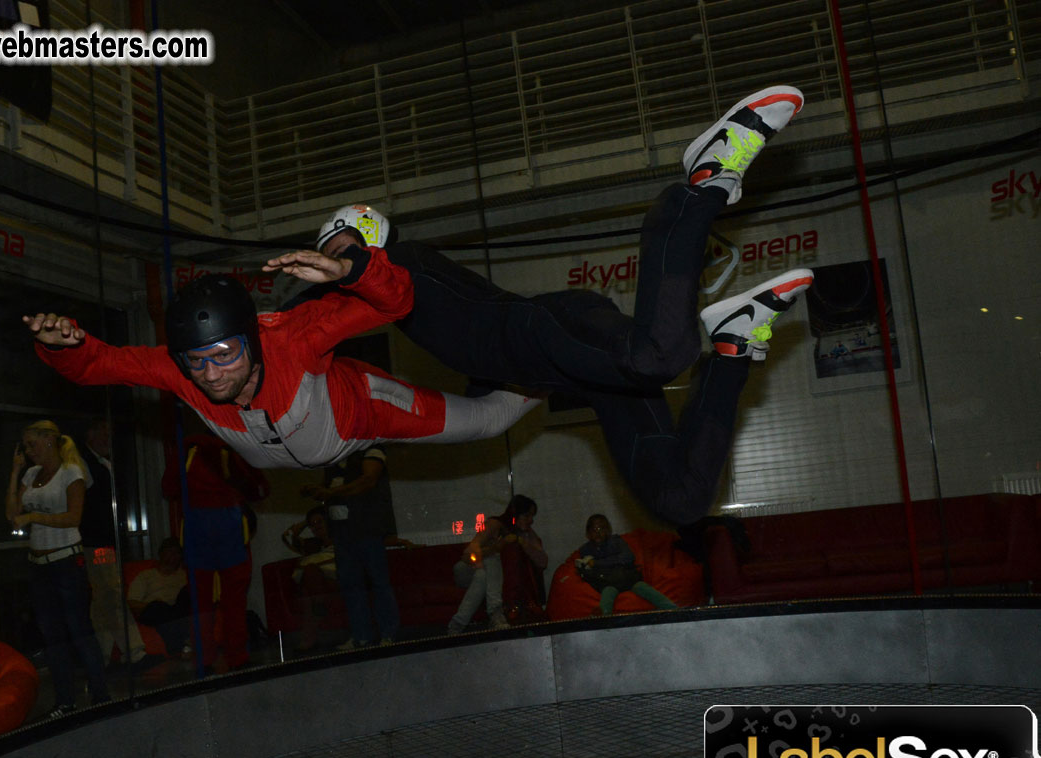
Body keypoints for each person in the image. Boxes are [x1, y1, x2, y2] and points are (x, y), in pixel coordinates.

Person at [308, 85, 813, 527]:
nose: (334, 267)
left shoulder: (404, 262)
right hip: (574, 369)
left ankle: (703, 182)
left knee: (660, 355)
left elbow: (382, 278)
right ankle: (733, 347)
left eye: (340, 252)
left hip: (538, 325)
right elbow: (485, 413)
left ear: (369, 239)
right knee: (678, 500)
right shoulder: (420, 320)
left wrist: (342, 270)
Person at [22, 245, 541, 474]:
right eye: (195, 362)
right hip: (286, 451)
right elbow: (99, 366)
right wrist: (61, 345)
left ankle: (550, 381)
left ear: (252, 338)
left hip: (362, 413)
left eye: (224, 354)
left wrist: (348, 269)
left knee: (487, 422)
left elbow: (397, 301)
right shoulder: (178, 370)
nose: (211, 374)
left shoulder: (292, 336)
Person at [5, 419, 110, 717]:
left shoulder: (71, 472)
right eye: (26, 445)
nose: (29, 450)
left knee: (79, 630)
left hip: (66, 559)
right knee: (52, 636)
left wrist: (33, 517)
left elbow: (73, 517)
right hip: (39, 564)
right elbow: (12, 513)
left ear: (49, 440)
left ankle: (101, 695)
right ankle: (65, 700)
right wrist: (15, 472)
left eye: (32, 444)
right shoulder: (31, 473)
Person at [163, 433, 270, 674]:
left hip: (196, 531)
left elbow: (168, 488)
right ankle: (237, 658)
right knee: (234, 601)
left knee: (200, 604)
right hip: (229, 529)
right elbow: (259, 488)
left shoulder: (187, 450)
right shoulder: (232, 446)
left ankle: (204, 659)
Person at [79, 418, 159, 672]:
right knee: (111, 596)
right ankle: (133, 653)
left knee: (102, 601)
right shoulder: (84, 464)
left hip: (104, 543)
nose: (107, 439)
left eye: (109, 434)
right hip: (98, 544)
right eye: (102, 433)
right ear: (89, 435)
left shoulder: (102, 463)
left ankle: (98, 658)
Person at [300, 445, 400, 649]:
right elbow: (330, 487)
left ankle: (388, 634)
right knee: (350, 584)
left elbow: (368, 481)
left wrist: (330, 492)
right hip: (341, 531)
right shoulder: (334, 453)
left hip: (367, 528)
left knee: (377, 582)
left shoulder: (372, 449)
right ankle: (360, 636)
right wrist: (318, 491)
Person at [448, 495, 546, 635]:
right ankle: (495, 612)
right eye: (526, 516)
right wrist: (496, 548)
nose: (531, 520)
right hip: (466, 570)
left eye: (532, 516)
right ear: (515, 514)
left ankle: (456, 625)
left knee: (483, 576)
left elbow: (542, 561)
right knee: (492, 560)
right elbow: (468, 554)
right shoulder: (495, 524)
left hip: (482, 575)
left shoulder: (526, 533)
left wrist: (524, 544)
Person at [576, 514, 678, 614]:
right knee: (607, 595)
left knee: (646, 590)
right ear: (588, 533)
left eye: (602, 529)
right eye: (594, 529)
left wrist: (597, 563)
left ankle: (675, 611)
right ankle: (602, 619)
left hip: (628, 578)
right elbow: (585, 571)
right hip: (607, 582)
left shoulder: (616, 541)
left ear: (608, 531)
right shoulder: (585, 550)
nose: (598, 533)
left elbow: (628, 557)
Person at [281, 506, 336, 651]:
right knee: (308, 588)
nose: (316, 526)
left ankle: (308, 640)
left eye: (320, 522)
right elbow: (286, 536)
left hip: (335, 580)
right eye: (313, 524)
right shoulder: (312, 545)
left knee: (309, 574)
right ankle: (317, 610)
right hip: (316, 585)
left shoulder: (340, 538)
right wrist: (306, 522)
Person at [128, 537, 192, 660]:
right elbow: (131, 602)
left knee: (185, 594)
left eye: (177, 553)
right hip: (154, 610)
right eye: (170, 551)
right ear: (161, 553)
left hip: (178, 610)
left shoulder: (184, 575)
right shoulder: (146, 576)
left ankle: (182, 646)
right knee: (159, 607)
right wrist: (153, 604)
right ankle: (179, 647)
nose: (174, 556)